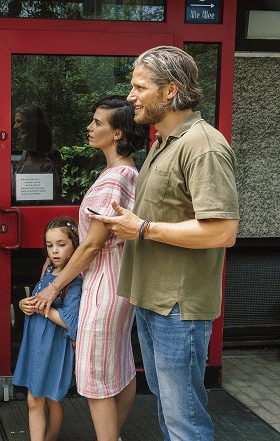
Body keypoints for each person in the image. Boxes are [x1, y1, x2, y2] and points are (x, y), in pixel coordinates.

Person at [90, 47, 239, 441]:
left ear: (170, 91)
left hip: (179, 306)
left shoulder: (203, 145)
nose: (131, 96)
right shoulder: (162, 142)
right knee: (169, 411)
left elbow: (222, 231)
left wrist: (142, 228)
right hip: (151, 299)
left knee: (184, 419)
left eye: (140, 86)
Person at [32, 96, 149, 441]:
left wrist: (54, 287)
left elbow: (93, 244)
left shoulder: (115, 177)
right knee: (121, 370)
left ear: (117, 133)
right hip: (120, 283)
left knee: (96, 380)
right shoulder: (127, 172)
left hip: (104, 286)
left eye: (98, 122)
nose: (90, 127)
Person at [12, 217, 82, 441]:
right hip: (36, 345)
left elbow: (72, 321)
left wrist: (43, 309)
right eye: (50, 245)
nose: (55, 251)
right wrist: (26, 304)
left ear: (75, 244)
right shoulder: (48, 270)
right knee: (34, 399)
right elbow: (37, 298)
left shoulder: (74, 280)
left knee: (52, 399)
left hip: (54, 347)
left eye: (62, 244)